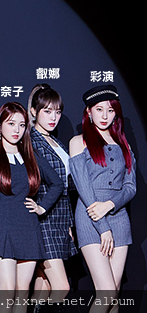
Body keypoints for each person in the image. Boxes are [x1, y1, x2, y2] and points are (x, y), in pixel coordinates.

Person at [0, 102, 63, 313]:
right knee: (7, 291)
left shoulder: (31, 156)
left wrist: (42, 207)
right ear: (0, 126)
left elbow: (57, 183)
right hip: (2, 229)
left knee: (23, 292)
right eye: (11, 123)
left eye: (22, 124)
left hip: (28, 228)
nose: (17, 129)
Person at [69, 85, 135, 313]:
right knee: (106, 292)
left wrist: (111, 204)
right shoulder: (78, 142)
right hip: (91, 217)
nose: (105, 115)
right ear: (89, 112)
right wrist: (103, 227)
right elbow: (83, 188)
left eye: (110, 110)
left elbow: (130, 187)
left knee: (114, 292)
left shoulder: (124, 145)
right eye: (99, 109)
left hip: (119, 218)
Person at [27, 84, 77, 309]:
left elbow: (66, 187)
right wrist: (41, 208)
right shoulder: (31, 141)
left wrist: (69, 224)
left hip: (60, 220)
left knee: (43, 286)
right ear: (34, 111)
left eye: (57, 112)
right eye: (47, 111)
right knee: (61, 287)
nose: (53, 117)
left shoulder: (57, 143)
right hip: (43, 222)